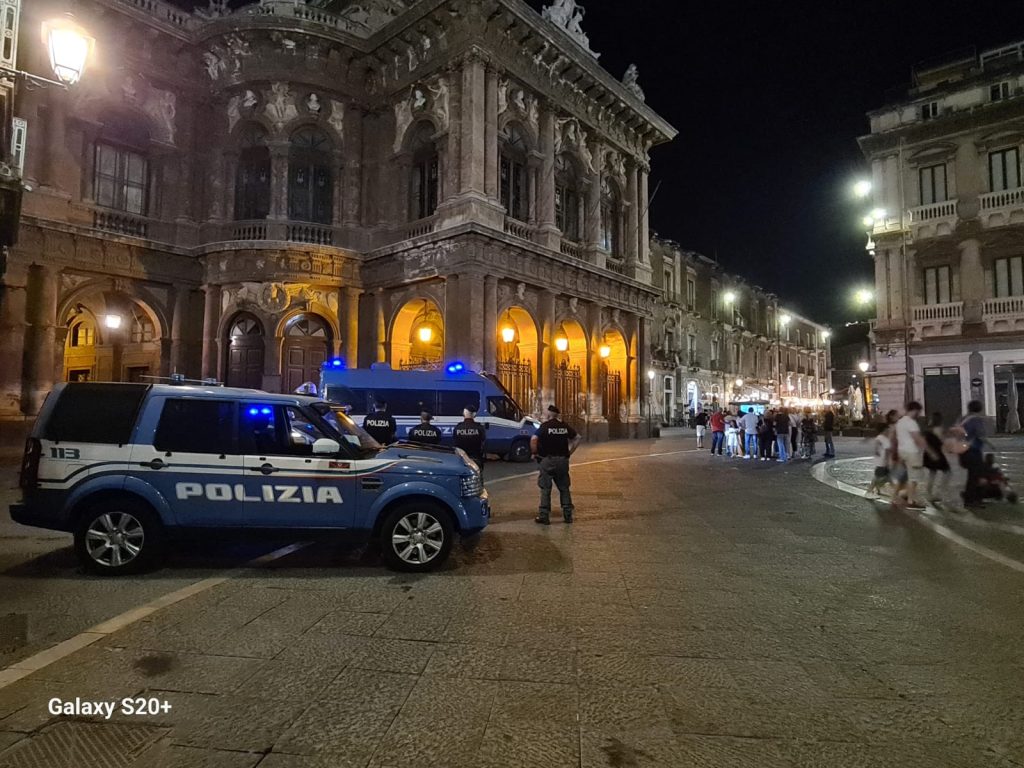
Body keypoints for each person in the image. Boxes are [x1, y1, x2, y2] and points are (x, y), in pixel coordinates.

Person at [531, 404, 582, 524]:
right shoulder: (563, 426)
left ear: (549, 414)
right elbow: (578, 438)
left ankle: (544, 516)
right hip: (562, 460)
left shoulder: (544, 427)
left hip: (547, 460)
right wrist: (570, 452)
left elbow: (533, 439)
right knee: (564, 488)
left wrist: (534, 452)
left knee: (545, 488)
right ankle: (567, 515)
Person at [894, 401, 928, 510]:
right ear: (915, 410)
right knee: (914, 477)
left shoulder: (900, 422)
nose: (919, 414)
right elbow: (917, 438)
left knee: (906, 476)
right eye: (918, 411)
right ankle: (911, 500)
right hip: (912, 452)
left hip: (902, 451)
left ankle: (899, 495)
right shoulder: (911, 423)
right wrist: (929, 450)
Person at [955, 400, 988, 509]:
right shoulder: (977, 420)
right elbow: (980, 435)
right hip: (973, 451)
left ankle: (969, 496)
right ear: (980, 408)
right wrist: (990, 443)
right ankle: (971, 500)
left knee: (972, 475)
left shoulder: (962, 419)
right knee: (975, 475)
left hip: (962, 450)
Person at [922, 412, 950, 505]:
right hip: (937, 454)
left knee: (932, 473)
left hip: (928, 454)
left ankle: (929, 493)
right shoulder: (939, 429)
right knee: (947, 471)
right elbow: (943, 441)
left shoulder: (928, 430)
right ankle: (939, 492)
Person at [453, 405, 487, 477]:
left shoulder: (458, 427)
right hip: (476, 459)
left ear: (463, 414)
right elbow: (483, 442)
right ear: (474, 414)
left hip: (461, 459)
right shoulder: (479, 428)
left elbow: (455, 443)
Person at [866, 421, 892, 498]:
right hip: (882, 461)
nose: (889, 430)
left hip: (880, 461)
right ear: (884, 430)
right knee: (879, 477)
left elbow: (877, 449)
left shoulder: (880, 438)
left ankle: (877, 489)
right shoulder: (883, 438)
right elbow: (886, 451)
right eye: (888, 429)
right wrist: (887, 461)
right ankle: (869, 491)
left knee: (881, 477)